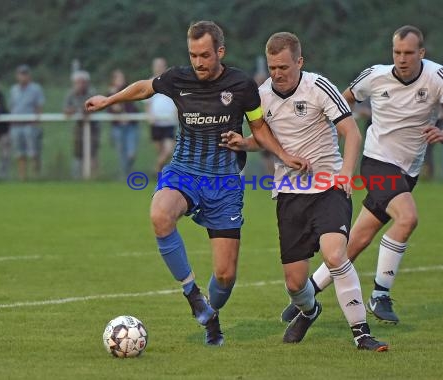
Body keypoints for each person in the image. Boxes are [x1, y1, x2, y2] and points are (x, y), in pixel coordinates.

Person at [85, 21, 308, 346]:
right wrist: (108, 100)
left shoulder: (242, 85)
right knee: (160, 214)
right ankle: (192, 294)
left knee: (225, 276)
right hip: (184, 172)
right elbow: (144, 87)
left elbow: (259, 128)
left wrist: (284, 156)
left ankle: (211, 315)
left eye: (205, 55)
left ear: (220, 51)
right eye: (193, 55)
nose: (199, 62)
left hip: (225, 184)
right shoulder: (178, 78)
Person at [279, 25, 443, 325]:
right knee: (408, 218)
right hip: (377, 162)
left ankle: (308, 293)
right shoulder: (374, 75)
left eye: (409, 53)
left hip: (408, 171)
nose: (402, 58)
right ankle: (380, 294)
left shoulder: (436, 76)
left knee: (356, 240)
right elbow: (340, 101)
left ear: (421, 53)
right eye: (397, 52)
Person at [221, 32, 388, 351]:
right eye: (272, 67)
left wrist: (345, 175)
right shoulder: (261, 96)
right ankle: (309, 310)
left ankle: (361, 333)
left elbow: (351, 133)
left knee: (336, 254)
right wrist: (243, 142)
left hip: (329, 187)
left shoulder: (319, 87)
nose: (277, 73)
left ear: (299, 62)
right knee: (296, 284)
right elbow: (264, 139)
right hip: (289, 193)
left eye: (283, 66)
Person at [9, 64, 45, 180]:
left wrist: (36, 120)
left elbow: (39, 106)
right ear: (17, 76)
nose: (23, 77)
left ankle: (36, 176)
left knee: (33, 152)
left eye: (25, 74)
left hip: (30, 124)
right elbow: (12, 106)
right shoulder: (13, 89)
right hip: (16, 125)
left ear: (29, 76)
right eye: (21, 74)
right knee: (20, 153)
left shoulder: (36, 88)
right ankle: (22, 177)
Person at [146, 57, 179, 173]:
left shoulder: (171, 82)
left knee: (168, 151)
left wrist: (177, 112)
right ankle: (162, 174)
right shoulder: (149, 82)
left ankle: (156, 169)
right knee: (160, 152)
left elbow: (177, 100)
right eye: (157, 65)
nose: (159, 67)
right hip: (156, 123)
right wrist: (149, 116)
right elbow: (148, 104)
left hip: (169, 122)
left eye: (161, 65)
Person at [64, 70, 100, 178]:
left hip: (93, 128)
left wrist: (84, 111)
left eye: (82, 82)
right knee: (78, 154)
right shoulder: (71, 94)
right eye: (78, 82)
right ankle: (77, 177)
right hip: (78, 128)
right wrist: (77, 110)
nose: (80, 85)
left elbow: (95, 108)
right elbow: (66, 110)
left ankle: (94, 177)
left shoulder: (92, 93)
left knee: (92, 154)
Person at [107, 69, 139, 177]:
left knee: (131, 154)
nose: (121, 80)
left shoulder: (130, 91)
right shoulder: (110, 93)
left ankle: (128, 170)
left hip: (130, 126)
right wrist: (113, 94)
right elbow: (113, 109)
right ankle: (125, 175)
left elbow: (133, 108)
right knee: (122, 153)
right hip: (118, 127)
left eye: (122, 78)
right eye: (118, 78)